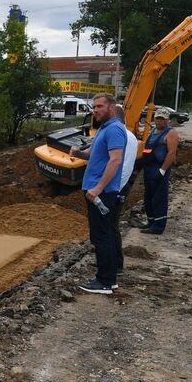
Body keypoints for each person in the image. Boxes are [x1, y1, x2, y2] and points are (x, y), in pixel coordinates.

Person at [70, 94, 128, 294]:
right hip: (96, 191)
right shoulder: (104, 128)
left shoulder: (115, 130)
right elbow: (95, 155)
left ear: (112, 107)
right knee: (101, 235)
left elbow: (115, 161)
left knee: (102, 236)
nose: (95, 110)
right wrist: (79, 154)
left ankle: (105, 281)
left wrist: (98, 189)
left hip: (101, 193)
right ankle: (106, 276)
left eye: (100, 106)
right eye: (94, 107)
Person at [140, 107, 179, 234]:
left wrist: (162, 170)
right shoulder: (153, 130)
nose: (159, 121)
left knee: (159, 197)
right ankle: (151, 221)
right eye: (157, 118)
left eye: (162, 119)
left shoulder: (170, 133)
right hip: (148, 169)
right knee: (149, 197)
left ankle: (158, 226)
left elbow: (172, 153)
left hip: (159, 168)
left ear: (167, 120)